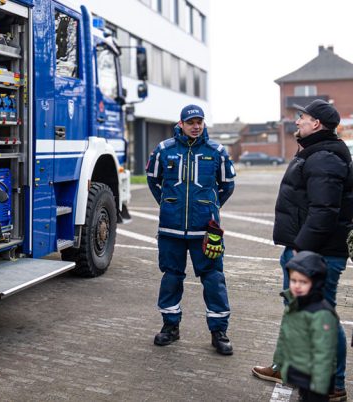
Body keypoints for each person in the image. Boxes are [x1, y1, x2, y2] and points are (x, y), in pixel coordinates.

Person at [252, 99, 353, 402]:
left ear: (317, 124)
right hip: (307, 249)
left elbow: (324, 211)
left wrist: (302, 252)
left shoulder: (324, 157)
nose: (297, 121)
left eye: (302, 117)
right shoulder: (316, 151)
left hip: (316, 254)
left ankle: (333, 384)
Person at [145, 104, 236, 355]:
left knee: (214, 279)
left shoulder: (216, 151)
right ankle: (170, 327)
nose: (195, 126)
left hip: (205, 231)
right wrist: (168, 204)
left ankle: (219, 332)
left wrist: (211, 208)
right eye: (190, 122)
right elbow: (153, 181)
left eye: (199, 121)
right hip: (170, 231)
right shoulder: (164, 150)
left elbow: (227, 185)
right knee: (171, 278)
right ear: (181, 124)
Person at [272, 251, 338, 402]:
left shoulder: (321, 313)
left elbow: (325, 353)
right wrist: (281, 362)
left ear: (315, 283)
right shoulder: (296, 304)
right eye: (294, 280)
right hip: (300, 371)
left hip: (316, 378)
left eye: (303, 282)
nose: (297, 286)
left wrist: (320, 385)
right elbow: (285, 337)